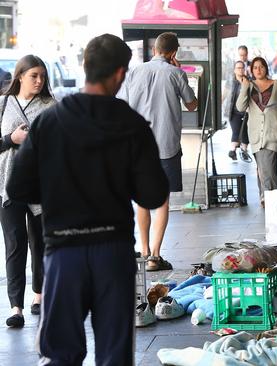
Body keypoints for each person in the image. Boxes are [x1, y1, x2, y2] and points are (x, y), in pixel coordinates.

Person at [7, 33, 168, 365]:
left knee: (61, 355)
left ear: (85, 66)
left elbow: (17, 188)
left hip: (64, 252)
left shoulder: (49, 122)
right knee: (114, 355)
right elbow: (153, 195)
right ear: (120, 74)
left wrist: (54, 192)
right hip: (113, 252)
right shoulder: (131, 125)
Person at [119, 32, 197, 271]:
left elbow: (122, 105)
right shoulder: (176, 73)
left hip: (137, 147)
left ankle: (143, 251)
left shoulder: (134, 73)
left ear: (155, 49)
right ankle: (155, 255)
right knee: (162, 201)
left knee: (141, 200)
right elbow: (192, 104)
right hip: (166, 146)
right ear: (173, 53)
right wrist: (179, 70)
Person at [0, 55, 56, 328]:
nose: (39, 81)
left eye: (42, 76)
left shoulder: (50, 105)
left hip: (41, 186)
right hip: (7, 185)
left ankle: (39, 296)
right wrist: (11, 139)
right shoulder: (3, 104)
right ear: (20, 75)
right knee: (14, 245)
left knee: (40, 243)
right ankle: (15, 306)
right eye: (34, 75)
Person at [236, 57, 277, 207]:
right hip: (255, 134)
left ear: (266, 68)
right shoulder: (249, 86)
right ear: (251, 70)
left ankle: (272, 199)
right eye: (255, 67)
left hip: (273, 132)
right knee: (262, 167)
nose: (258, 70)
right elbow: (240, 107)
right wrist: (245, 87)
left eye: (261, 67)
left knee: (268, 167)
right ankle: (265, 197)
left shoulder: (276, 85)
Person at [224, 61, 251, 162]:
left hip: (246, 111)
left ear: (244, 69)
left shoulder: (248, 81)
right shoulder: (230, 81)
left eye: (242, 68)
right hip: (233, 111)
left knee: (245, 131)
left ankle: (243, 151)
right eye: (238, 68)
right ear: (234, 70)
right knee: (236, 130)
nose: (240, 70)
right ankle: (232, 150)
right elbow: (225, 94)